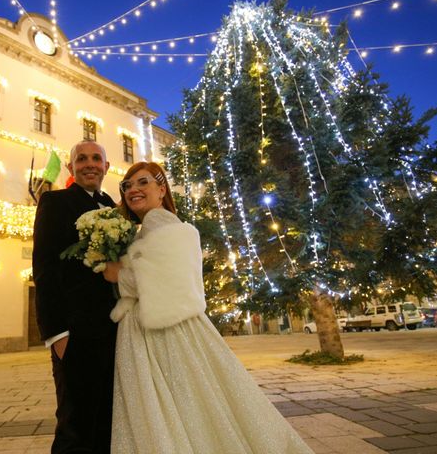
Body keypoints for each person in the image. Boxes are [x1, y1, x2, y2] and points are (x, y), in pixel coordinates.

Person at [103, 162, 314, 454]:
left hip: (161, 330)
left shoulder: (158, 221)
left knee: (172, 403)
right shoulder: (152, 225)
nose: (134, 190)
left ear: (162, 189)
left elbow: (166, 277)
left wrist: (117, 275)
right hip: (161, 324)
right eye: (128, 186)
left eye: (143, 182)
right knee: (192, 403)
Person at [32, 141, 117, 453]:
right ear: (71, 168)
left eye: (97, 158)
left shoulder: (114, 206)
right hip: (76, 333)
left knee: (107, 418)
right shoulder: (54, 203)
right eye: (81, 159)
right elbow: (43, 268)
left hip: (115, 331)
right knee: (75, 423)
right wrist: (56, 333)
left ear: (107, 167)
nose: (90, 164)